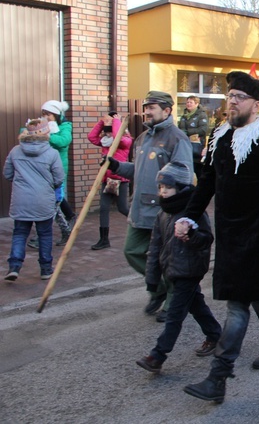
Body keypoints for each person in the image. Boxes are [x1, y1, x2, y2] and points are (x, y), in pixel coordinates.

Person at [180, 71, 259, 404]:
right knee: (255, 292)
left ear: (256, 105)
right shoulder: (219, 137)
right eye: (229, 96)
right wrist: (189, 214)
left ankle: (218, 376)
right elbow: (206, 183)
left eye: (238, 97)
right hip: (229, 233)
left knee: (237, 305)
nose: (231, 102)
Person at [106, 90, 194, 322]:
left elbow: (184, 175)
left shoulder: (178, 138)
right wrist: (116, 166)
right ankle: (158, 289)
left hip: (163, 211)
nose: (147, 111)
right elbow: (137, 170)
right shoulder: (142, 138)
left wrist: (171, 201)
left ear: (166, 111)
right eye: (146, 106)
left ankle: (173, 301)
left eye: (152, 107)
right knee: (132, 251)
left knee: (167, 259)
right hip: (140, 209)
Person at [136, 162, 222, 374]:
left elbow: (206, 239)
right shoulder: (162, 214)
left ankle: (158, 355)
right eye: (160, 187)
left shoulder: (194, 211)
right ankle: (215, 334)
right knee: (196, 305)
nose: (162, 191)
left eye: (167, 187)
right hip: (171, 269)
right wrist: (152, 278)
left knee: (175, 314)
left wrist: (190, 235)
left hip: (189, 269)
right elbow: (155, 247)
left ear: (181, 187)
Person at [4, 119, 65, 281]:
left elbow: (7, 174)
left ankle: (14, 267)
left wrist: (21, 184)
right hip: (43, 200)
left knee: (19, 233)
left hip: (21, 200)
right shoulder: (52, 153)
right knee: (45, 234)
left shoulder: (15, 151)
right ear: (46, 133)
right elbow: (59, 178)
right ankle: (45, 269)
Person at [28, 100, 75, 249]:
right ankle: (67, 229)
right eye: (43, 114)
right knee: (53, 203)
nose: (45, 117)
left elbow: (64, 141)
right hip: (43, 169)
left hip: (57, 170)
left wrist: (47, 136)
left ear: (56, 114)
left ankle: (41, 236)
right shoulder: (43, 126)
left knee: (51, 205)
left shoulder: (65, 126)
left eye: (48, 114)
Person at [87, 112, 132, 250]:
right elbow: (91, 137)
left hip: (121, 180)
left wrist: (116, 122)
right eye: (105, 133)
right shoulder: (106, 143)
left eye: (109, 133)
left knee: (123, 208)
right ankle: (104, 239)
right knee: (104, 208)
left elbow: (118, 138)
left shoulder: (125, 141)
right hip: (107, 179)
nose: (107, 136)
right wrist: (102, 122)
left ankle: (142, 226)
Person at [178, 95, 209, 178]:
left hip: (196, 149)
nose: (188, 104)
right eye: (187, 102)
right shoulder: (184, 116)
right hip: (185, 148)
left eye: (191, 102)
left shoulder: (201, 115)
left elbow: (203, 130)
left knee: (199, 173)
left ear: (196, 104)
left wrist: (187, 132)